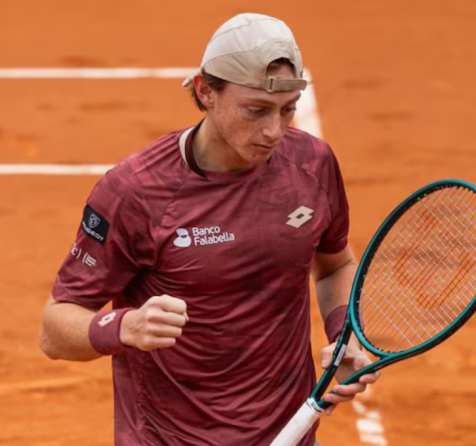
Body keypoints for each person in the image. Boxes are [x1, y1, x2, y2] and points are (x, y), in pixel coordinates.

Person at [38, 12, 379, 446]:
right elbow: (53, 330)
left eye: (287, 111)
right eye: (255, 111)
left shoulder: (312, 164)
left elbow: (334, 265)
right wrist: (124, 327)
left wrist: (344, 334)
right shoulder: (135, 191)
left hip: (288, 433)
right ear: (205, 91)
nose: (274, 132)